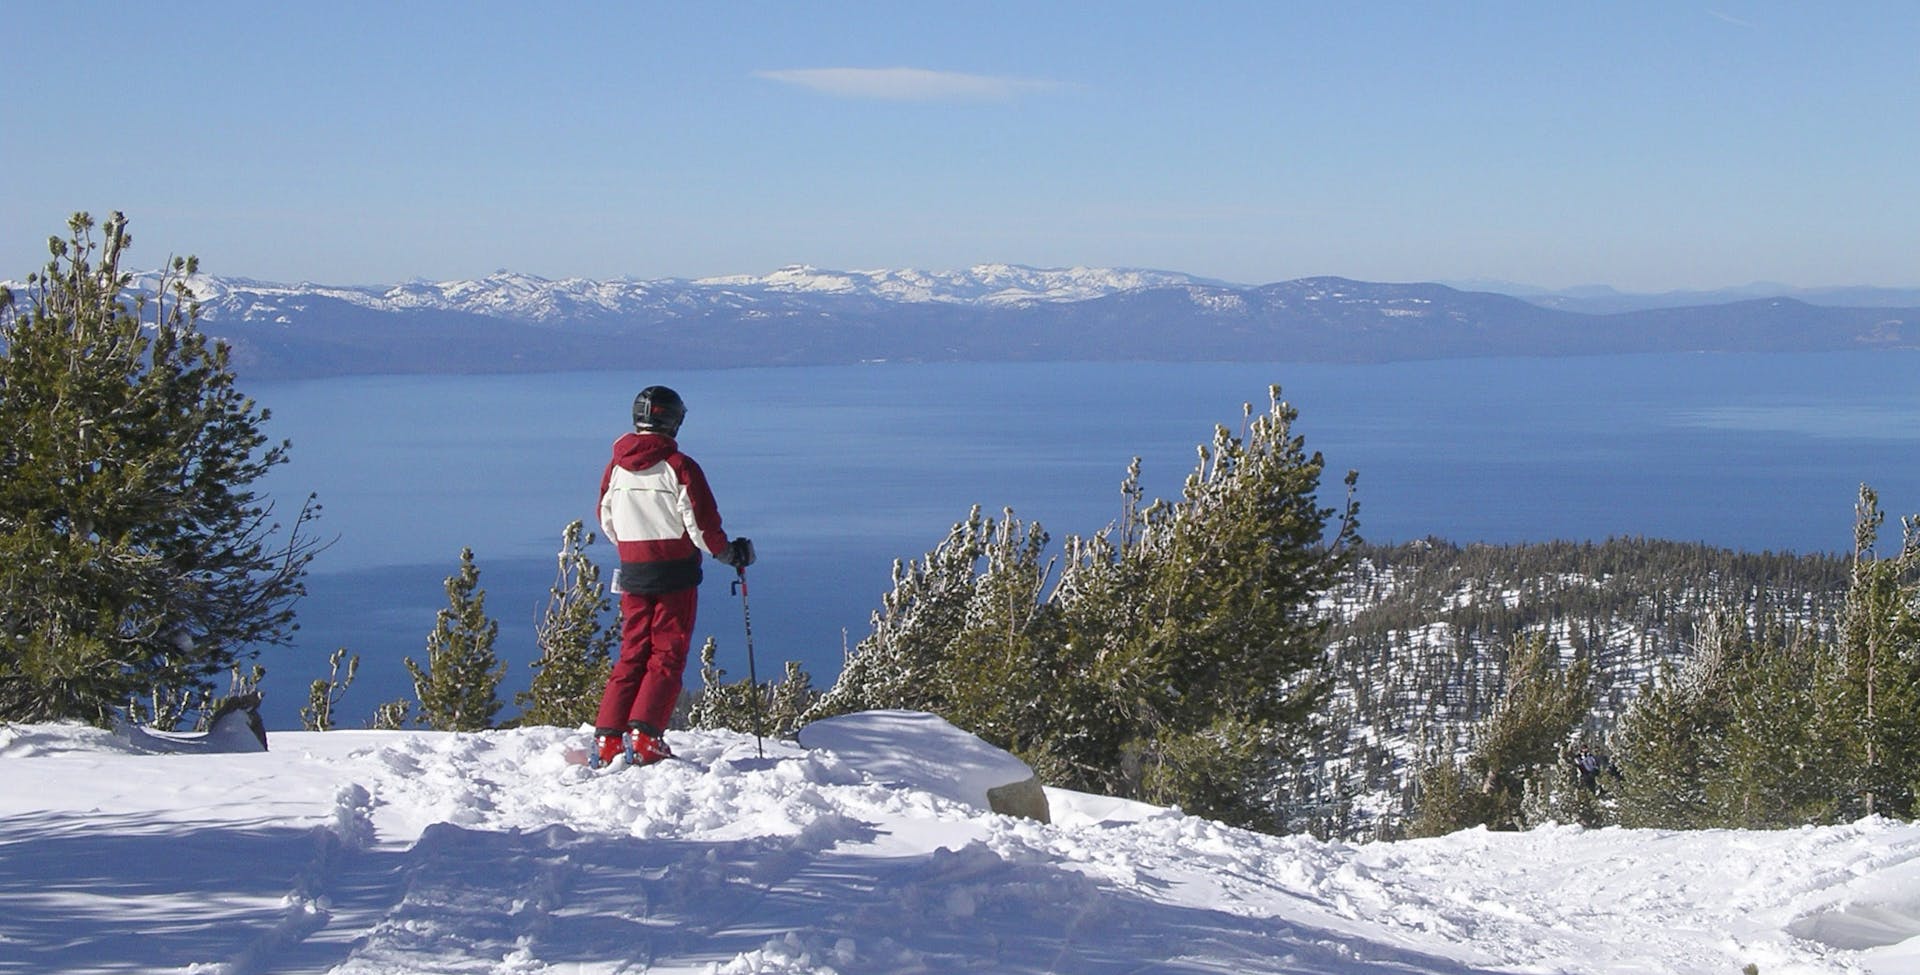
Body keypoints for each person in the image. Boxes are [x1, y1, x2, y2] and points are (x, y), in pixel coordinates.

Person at [591, 385, 754, 767]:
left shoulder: (616, 465)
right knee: (666, 654)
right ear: (674, 421)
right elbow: (702, 525)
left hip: (633, 567)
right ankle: (645, 737)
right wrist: (730, 554)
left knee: (632, 652)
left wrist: (633, 547)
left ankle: (608, 739)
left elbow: (606, 517)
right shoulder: (679, 466)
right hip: (675, 572)